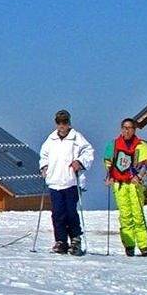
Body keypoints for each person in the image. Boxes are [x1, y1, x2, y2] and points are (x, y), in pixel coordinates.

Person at [39, 109, 94, 256]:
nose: (62, 125)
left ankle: (75, 239)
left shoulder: (77, 138)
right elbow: (43, 155)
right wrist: (44, 167)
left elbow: (89, 152)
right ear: (56, 123)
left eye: (64, 122)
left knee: (70, 212)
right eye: (59, 122)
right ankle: (61, 241)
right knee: (57, 213)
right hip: (55, 181)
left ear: (69, 123)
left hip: (71, 181)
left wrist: (80, 162)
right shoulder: (50, 140)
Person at [104, 118, 147, 256]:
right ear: (121, 129)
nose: (127, 130)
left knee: (138, 215)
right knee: (125, 216)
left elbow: (145, 164)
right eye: (124, 128)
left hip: (133, 184)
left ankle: (144, 246)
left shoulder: (141, 145)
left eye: (130, 128)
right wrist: (109, 175)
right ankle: (129, 245)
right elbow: (109, 162)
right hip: (119, 185)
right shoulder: (113, 145)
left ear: (134, 129)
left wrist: (139, 176)